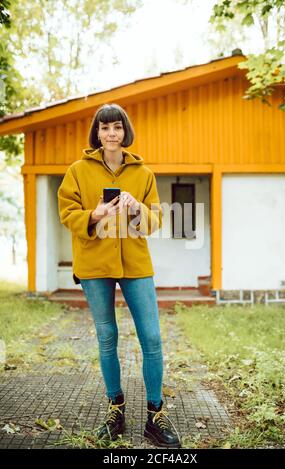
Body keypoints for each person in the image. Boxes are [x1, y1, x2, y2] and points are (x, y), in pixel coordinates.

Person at [57, 103, 181, 448]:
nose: (111, 134)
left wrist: (136, 208)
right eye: (105, 127)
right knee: (107, 336)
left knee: (152, 339)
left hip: (135, 264)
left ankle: (155, 415)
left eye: (117, 127)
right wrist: (94, 214)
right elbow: (67, 213)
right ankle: (116, 409)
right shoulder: (77, 171)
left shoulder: (144, 174)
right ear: (96, 133)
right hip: (94, 265)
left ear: (126, 132)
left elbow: (155, 220)